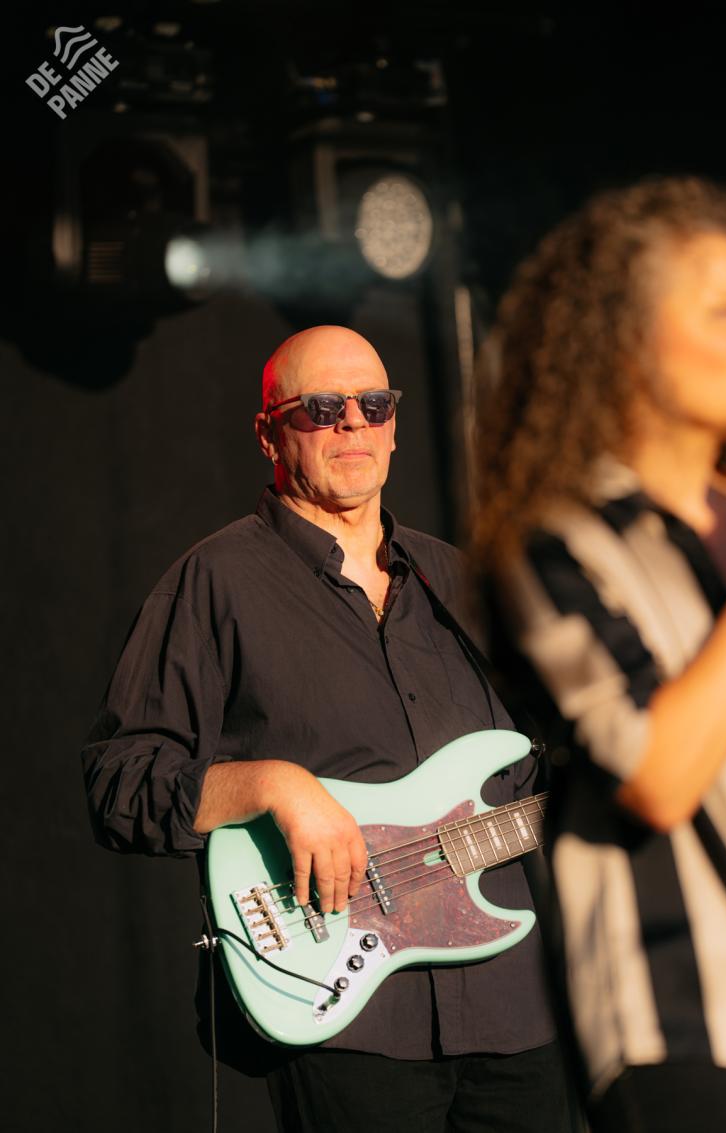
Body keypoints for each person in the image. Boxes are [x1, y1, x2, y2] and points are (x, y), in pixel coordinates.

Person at [82, 325, 570, 1133]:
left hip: (518, 1011)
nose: (352, 422)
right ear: (268, 431)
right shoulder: (217, 581)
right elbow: (119, 781)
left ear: (394, 426)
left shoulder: (462, 581)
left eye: (373, 404)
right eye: (321, 406)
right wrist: (272, 785)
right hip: (346, 1016)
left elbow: (546, 767)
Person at [473, 177, 726, 1133]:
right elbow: (655, 771)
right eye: (724, 311)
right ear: (627, 335)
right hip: (687, 1027)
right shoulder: (556, 539)